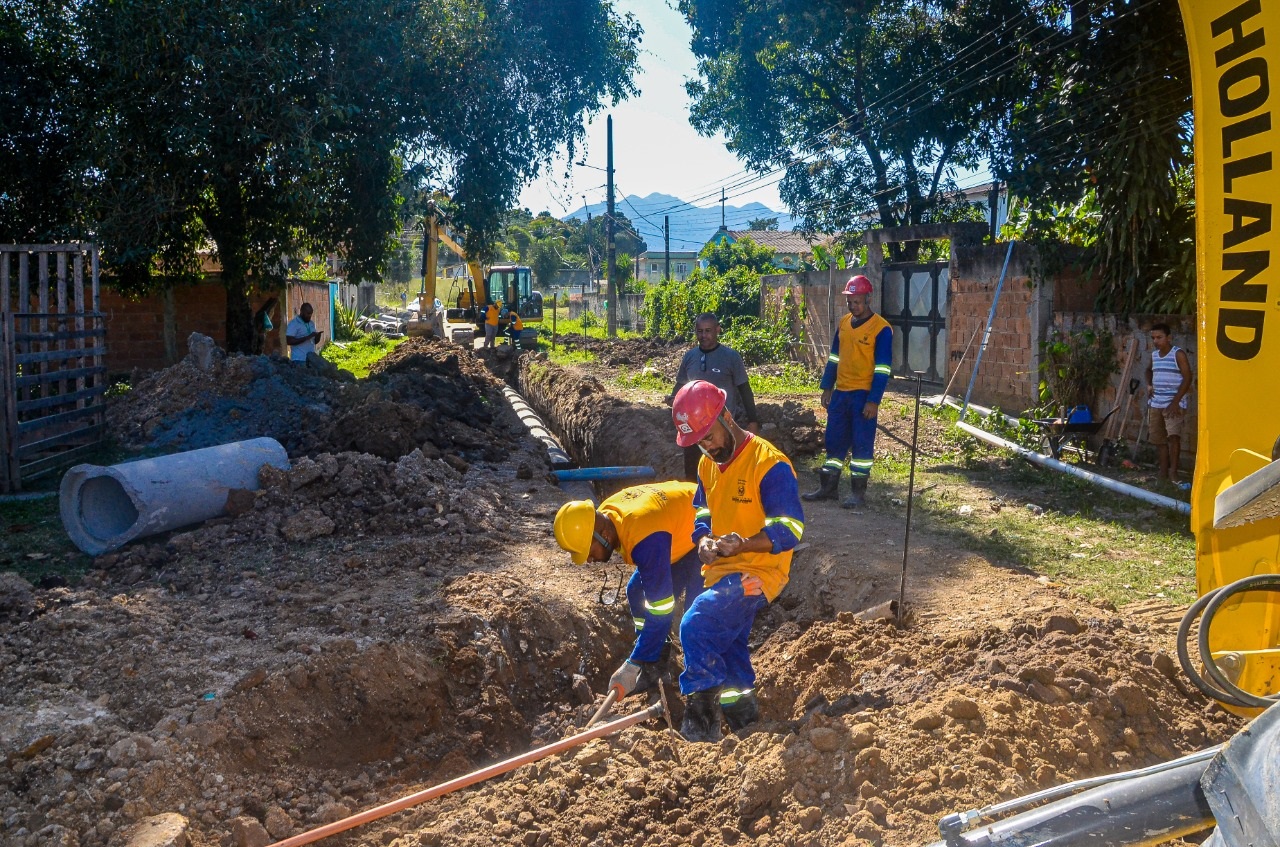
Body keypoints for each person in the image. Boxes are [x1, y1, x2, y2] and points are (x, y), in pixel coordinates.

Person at [671, 380, 804, 742]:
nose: (707, 446)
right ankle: (747, 725)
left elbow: (790, 530)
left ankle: (700, 723)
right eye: (699, 441)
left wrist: (743, 545)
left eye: (709, 436)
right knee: (727, 650)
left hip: (758, 573)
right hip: (722, 571)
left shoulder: (769, 464)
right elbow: (702, 511)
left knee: (695, 624)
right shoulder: (706, 464)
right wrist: (704, 540)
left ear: (726, 417)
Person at [553, 482, 706, 699]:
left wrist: (632, 663)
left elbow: (661, 610)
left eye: (588, 551)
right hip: (678, 530)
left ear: (603, 535)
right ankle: (656, 664)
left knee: (695, 621)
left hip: (708, 533)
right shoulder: (608, 515)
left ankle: (702, 701)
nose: (588, 559)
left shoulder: (644, 536)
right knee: (637, 591)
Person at [804, 275, 893, 509]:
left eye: (857, 301)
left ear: (868, 299)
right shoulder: (844, 323)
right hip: (841, 394)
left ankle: (857, 493)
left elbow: (883, 369)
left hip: (863, 395)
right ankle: (828, 488)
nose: (853, 306)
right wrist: (827, 386)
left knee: (861, 444)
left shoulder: (882, 329)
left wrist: (873, 401)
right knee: (834, 441)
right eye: (850, 302)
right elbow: (834, 357)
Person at [668, 313, 760, 482]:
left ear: (718, 330)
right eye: (700, 331)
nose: (704, 335)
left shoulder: (731, 357)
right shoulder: (690, 357)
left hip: (721, 430)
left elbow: (745, 390)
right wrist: (673, 401)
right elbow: (680, 388)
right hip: (694, 430)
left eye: (708, 331)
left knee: (724, 477)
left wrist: (753, 421)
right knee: (693, 478)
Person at [1146, 323, 1193, 489]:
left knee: (1173, 438)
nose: (1156, 341)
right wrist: (1149, 385)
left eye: (1159, 337)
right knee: (1159, 439)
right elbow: (1148, 371)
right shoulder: (1154, 355)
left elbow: (1188, 378)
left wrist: (1175, 402)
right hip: (1156, 402)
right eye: (1153, 338)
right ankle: (1163, 472)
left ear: (1169, 337)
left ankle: (1174, 473)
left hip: (1174, 403)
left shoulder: (1177, 354)